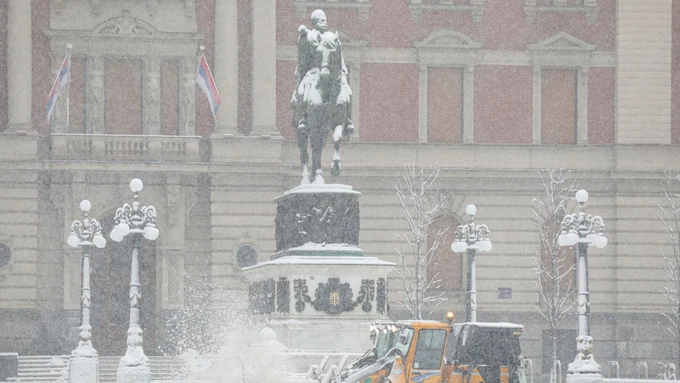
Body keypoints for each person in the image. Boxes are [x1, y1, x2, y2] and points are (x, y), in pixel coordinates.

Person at [292, 9, 353, 135]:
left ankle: (347, 119)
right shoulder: (309, 36)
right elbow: (303, 55)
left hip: (330, 71)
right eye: (321, 20)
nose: (325, 23)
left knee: (348, 91)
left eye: (325, 20)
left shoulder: (331, 36)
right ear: (314, 22)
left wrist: (342, 67)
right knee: (302, 91)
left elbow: (339, 54)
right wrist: (303, 34)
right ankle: (304, 118)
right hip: (313, 71)